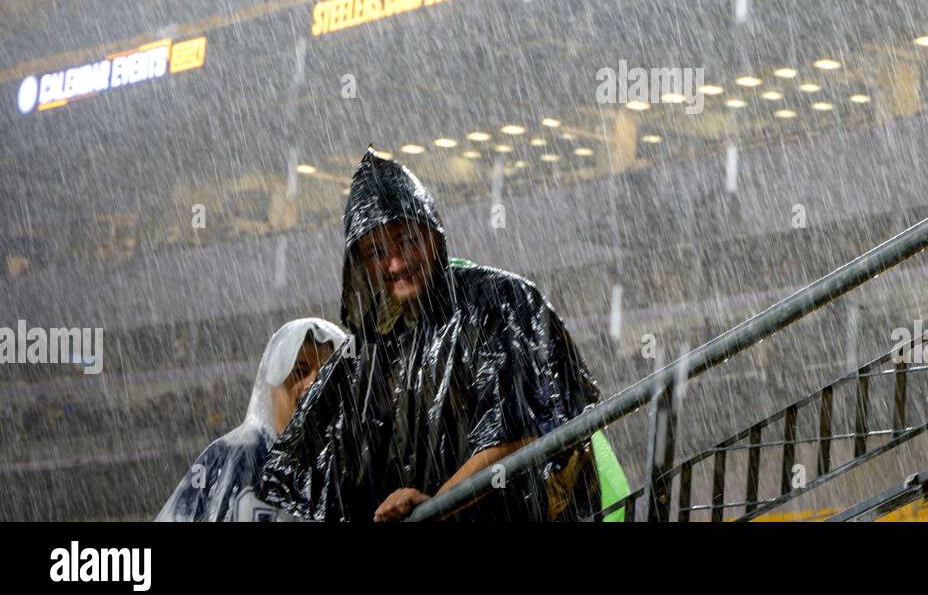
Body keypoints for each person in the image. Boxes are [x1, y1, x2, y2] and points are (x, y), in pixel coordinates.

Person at [257, 149, 602, 521]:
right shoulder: (364, 357)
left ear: (432, 235)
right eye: (375, 251)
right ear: (360, 264)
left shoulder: (499, 302)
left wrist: (436, 506)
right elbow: (293, 468)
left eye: (405, 240)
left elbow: (523, 430)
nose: (395, 262)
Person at [156, 317, 346, 521]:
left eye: (328, 374)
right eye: (299, 371)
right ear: (272, 385)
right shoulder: (226, 459)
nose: (314, 383)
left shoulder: (354, 466)